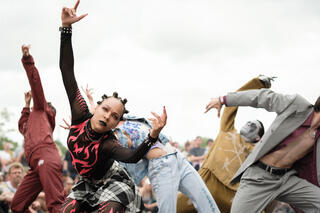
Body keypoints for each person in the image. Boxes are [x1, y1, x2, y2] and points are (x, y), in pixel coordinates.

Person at [59, 1, 167, 212]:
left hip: (114, 182)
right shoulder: (79, 114)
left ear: (116, 123)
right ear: (96, 108)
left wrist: (153, 136)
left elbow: (134, 157)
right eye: (106, 109)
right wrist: (66, 28)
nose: (108, 116)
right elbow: (66, 70)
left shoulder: (108, 143)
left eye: (115, 116)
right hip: (86, 182)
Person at [75, 85, 219, 213]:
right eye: (106, 110)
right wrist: (79, 129)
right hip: (161, 165)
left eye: (115, 111)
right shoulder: (111, 137)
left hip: (176, 156)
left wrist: (90, 98)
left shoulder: (128, 119)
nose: (109, 114)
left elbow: (97, 108)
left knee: (206, 201)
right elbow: (95, 116)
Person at [205, 78, 320, 212]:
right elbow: (260, 97)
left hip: (287, 180)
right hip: (258, 178)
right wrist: (223, 99)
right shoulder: (296, 105)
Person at [177, 76, 269, 213]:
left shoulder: (256, 149)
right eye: (248, 122)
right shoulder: (228, 130)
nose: (248, 124)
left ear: (257, 137)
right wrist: (257, 83)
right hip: (205, 181)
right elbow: (233, 104)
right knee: (174, 206)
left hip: (231, 193)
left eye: (253, 125)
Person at [11, 45, 65, 213]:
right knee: (17, 205)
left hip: (46, 158)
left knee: (55, 205)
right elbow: (23, 127)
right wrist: (26, 106)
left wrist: (27, 59)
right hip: (35, 165)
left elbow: (35, 83)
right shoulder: (36, 120)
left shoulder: (41, 109)